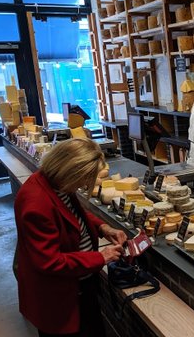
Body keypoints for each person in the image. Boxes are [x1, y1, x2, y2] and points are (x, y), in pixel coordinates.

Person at [14, 138, 127, 337]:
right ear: (69, 172)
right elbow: (50, 262)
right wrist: (101, 257)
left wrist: (103, 228)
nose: (84, 184)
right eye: (84, 179)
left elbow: (72, 214)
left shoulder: (54, 183)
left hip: (80, 286)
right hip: (59, 298)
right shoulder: (36, 203)